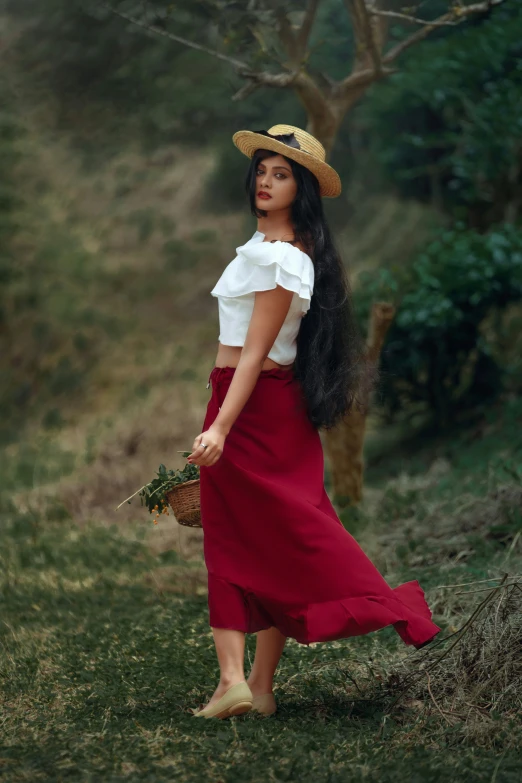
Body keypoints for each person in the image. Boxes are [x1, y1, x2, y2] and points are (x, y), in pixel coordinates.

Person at [187, 124, 441, 720]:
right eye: (263, 171)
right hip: (265, 405)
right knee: (279, 537)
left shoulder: (281, 258)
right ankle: (261, 688)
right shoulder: (283, 252)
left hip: (253, 408)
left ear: (301, 190)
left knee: (231, 538)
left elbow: (254, 352)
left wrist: (221, 424)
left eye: (282, 175)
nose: (266, 182)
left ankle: (232, 683)